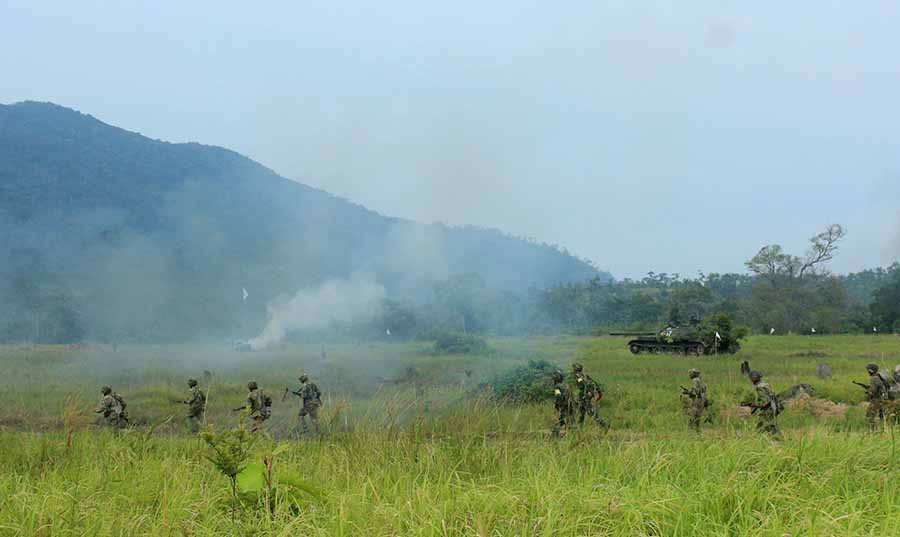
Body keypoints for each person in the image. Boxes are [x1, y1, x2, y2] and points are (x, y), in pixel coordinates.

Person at [571, 363, 609, 430]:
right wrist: (598, 392)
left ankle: (604, 425)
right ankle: (579, 428)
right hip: (584, 396)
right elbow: (593, 383)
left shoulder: (578, 377)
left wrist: (586, 393)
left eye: (573, 368)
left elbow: (582, 385)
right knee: (581, 412)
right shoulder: (585, 375)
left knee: (591, 413)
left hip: (584, 396)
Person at [864, 364, 888, 432]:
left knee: (869, 416)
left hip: (877, 400)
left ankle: (872, 431)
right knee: (882, 416)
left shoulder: (874, 378)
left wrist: (868, 393)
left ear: (871, 371)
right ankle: (884, 430)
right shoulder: (879, 377)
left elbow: (873, 391)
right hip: (883, 399)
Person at [551, 371, 574, 438]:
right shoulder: (566, 385)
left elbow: (558, 396)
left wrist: (557, 406)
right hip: (570, 405)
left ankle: (558, 436)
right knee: (569, 420)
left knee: (560, 420)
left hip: (563, 406)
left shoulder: (557, 387)